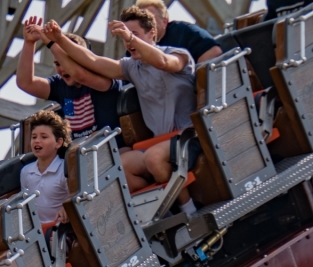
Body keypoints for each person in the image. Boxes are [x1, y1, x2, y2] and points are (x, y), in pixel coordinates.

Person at [44, 10, 199, 215]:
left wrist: (129, 37)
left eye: (134, 34)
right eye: (125, 36)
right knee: (117, 169)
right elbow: (92, 61)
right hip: (157, 143)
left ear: (152, 33)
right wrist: (57, 40)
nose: (128, 42)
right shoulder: (131, 67)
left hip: (188, 137)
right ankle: (165, 216)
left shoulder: (179, 55)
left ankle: (189, 212)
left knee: (154, 158)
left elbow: (162, 62)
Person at [16, 17, 123, 140]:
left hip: (110, 151)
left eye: (66, 62)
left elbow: (80, 75)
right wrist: (29, 43)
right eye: (57, 64)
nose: (62, 69)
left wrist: (50, 43)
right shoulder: (60, 84)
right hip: (79, 153)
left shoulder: (104, 76)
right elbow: (26, 83)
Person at [21, 110, 72, 225]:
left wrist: (66, 208)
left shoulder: (64, 169)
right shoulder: (26, 171)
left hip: (59, 229)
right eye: (34, 137)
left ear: (58, 143)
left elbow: (74, 199)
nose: (37, 141)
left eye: (44, 137)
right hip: (34, 231)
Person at [135, 0, 222, 64]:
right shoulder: (135, 45)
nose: (145, 25)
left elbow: (213, 51)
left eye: (150, 20)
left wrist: (196, 81)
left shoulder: (183, 31)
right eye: (141, 21)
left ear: (164, 21)